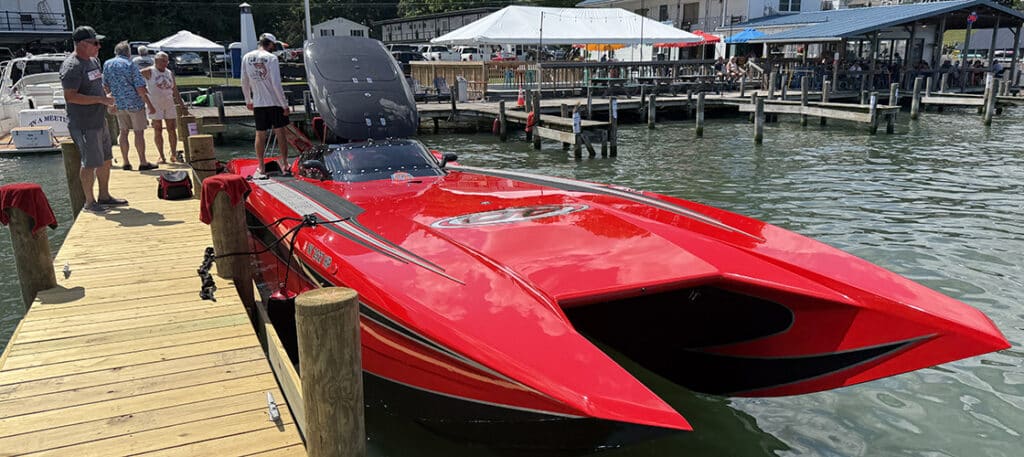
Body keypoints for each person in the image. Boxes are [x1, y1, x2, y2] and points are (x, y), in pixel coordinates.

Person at [59, 26, 125, 214]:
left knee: (106, 159)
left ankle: (104, 196)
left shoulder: (94, 61)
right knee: (89, 163)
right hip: (84, 124)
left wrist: (107, 100)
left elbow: (98, 85)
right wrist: (100, 100)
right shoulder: (72, 66)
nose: (99, 46)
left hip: (99, 120)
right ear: (82, 44)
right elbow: (70, 97)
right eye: (95, 43)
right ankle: (89, 202)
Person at [241, 32, 290, 178]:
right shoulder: (272, 58)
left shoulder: (246, 57)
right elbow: (276, 83)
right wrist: (284, 105)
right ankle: (285, 164)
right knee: (280, 132)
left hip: (258, 102)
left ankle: (261, 166)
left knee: (260, 133)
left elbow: (244, 81)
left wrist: (248, 100)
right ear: (271, 44)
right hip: (274, 102)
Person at [104, 40, 157, 170]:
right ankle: (143, 162)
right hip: (134, 103)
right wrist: (150, 105)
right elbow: (140, 88)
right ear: (128, 52)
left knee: (123, 132)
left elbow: (105, 85)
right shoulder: (130, 64)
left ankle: (126, 162)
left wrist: (111, 101)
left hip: (118, 104)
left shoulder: (107, 64)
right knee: (139, 133)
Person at [142, 51, 184, 163]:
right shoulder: (149, 71)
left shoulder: (169, 72)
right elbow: (135, 78)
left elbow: (175, 90)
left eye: (166, 61)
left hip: (168, 103)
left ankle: (173, 153)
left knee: (171, 128)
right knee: (158, 129)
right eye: (163, 61)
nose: (165, 63)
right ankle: (161, 155)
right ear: (156, 61)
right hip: (154, 104)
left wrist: (182, 105)